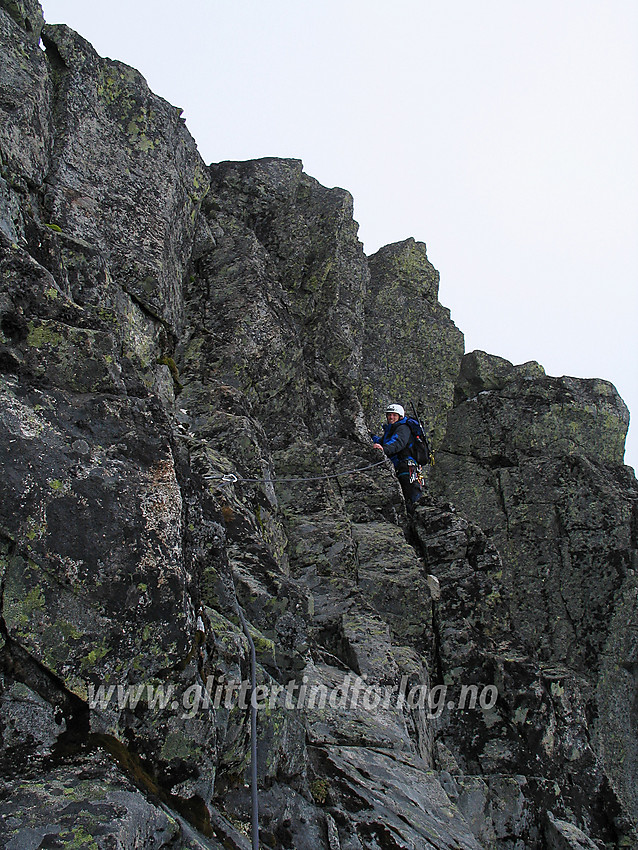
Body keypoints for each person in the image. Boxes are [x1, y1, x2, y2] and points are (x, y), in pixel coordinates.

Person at [372, 403, 423, 506]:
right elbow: (383, 441)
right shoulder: (392, 429)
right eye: (389, 415)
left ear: (400, 416)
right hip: (400, 466)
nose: (391, 417)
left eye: (394, 415)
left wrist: (383, 449)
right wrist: (371, 436)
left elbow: (397, 443)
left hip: (405, 466)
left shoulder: (403, 428)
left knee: (409, 494)